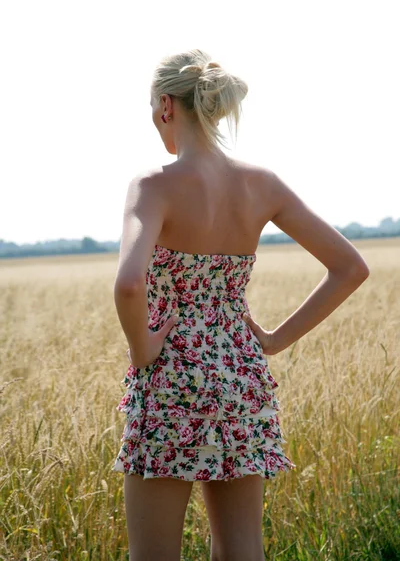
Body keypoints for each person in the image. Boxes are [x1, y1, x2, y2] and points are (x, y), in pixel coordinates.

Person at [111, 48, 370, 561]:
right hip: (240, 375)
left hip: (171, 380)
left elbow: (128, 285)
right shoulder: (263, 184)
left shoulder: (153, 185)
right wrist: (272, 340)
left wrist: (143, 350)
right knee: (242, 550)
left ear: (166, 106)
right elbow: (351, 267)